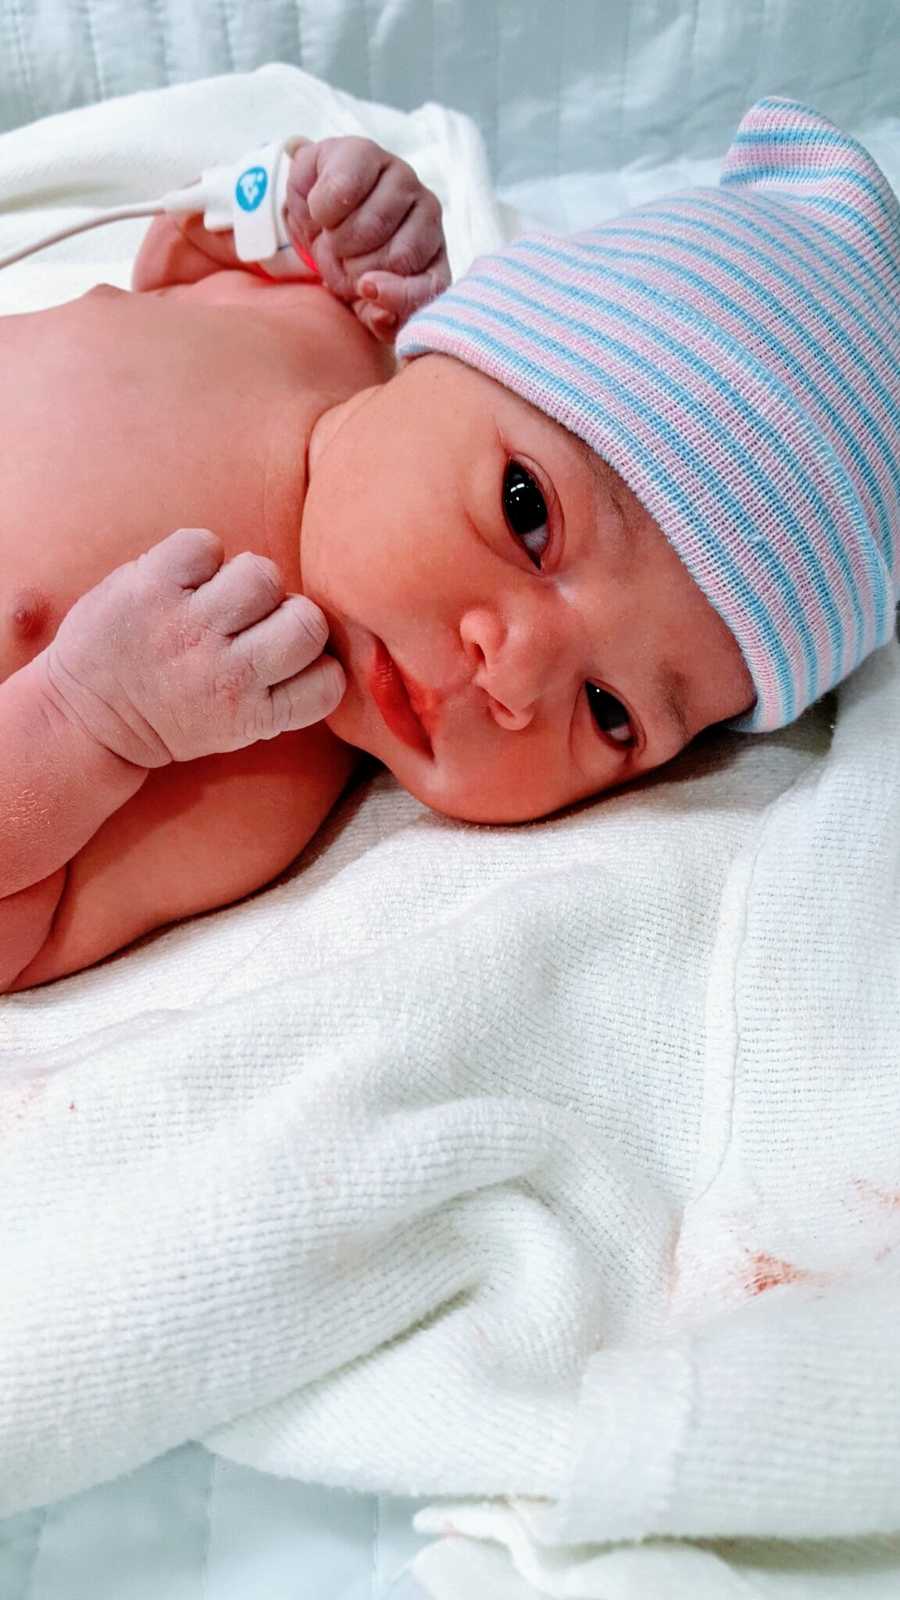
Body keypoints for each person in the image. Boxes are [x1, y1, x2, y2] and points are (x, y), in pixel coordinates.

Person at [0, 96, 896, 992]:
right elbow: (176, 255)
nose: (511, 680)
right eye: (526, 511)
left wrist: (86, 725)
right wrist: (324, 212)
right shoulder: (313, 314)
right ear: (467, 340)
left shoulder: (244, 786)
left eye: (610, 711)